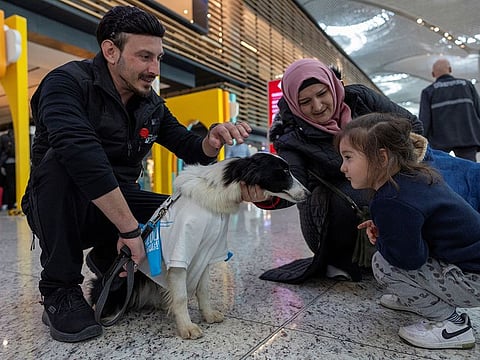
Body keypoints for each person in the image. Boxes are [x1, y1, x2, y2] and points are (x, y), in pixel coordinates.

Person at [22, 5, 256, 343]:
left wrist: (210, 140)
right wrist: (129, 228)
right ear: (110, 50)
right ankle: (59, 289)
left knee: (182, 211)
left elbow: (189, 146)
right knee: (62, 160)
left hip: (117, 202)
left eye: (158, 58)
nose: (154, 69)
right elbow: (82, 155)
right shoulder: (66, 83)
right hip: (60, 203)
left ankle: (112, 261)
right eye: (145, 57)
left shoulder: (151, 105)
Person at [258, 58, 423, 283]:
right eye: (305, 101)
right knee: (354, 186)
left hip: (378, 196)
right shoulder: (291, 136)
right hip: (331, 219)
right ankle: (345, 258)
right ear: (294, 105)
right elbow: (296, 182)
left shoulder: (360, 98)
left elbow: (412, 127)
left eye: (322, 93)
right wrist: (265, 193)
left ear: (333, 86)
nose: (317, 106)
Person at [337, 113, 480, 350]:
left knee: (383, 265)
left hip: (473, 281)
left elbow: (408, 260)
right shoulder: (416, 177)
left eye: (348, 157)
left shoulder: (392, 200)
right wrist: (390, 231)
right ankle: (414, 298)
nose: (343, 167)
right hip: (472, 266)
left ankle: (452, 325)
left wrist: (383, 241)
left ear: (381, 157)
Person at [418, 58, 480, 162]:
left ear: (433, 74)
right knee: (469, 169)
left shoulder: (429, 91)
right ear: (450, 69)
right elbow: (478, 110)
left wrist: (421, 143)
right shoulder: (467, 85)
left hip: (440, 142)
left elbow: (424, 120)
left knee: (441, 170)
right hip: (467, 138)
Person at [0, 127, 16, 214]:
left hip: (7, 163)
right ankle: (14, 202)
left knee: (8, 184)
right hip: (17, 163)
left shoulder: (3, 137)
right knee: (15, 184)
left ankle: (8, 204)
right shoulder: (16, 136)